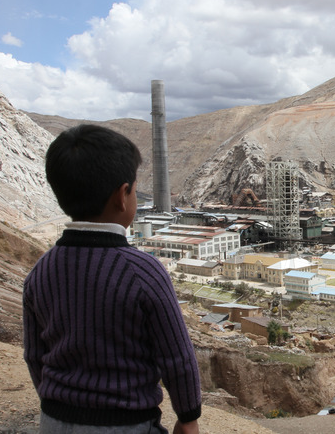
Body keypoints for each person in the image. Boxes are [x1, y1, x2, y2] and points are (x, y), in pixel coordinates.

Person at [23, 124, 201, 434]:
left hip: (54, 421)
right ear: (123, 195)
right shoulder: (143, 271)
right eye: (134, 187)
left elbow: (34, 355)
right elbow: (177, 357)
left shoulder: (41, 270)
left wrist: (62, 407)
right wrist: (188, 417)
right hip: (126, 424)